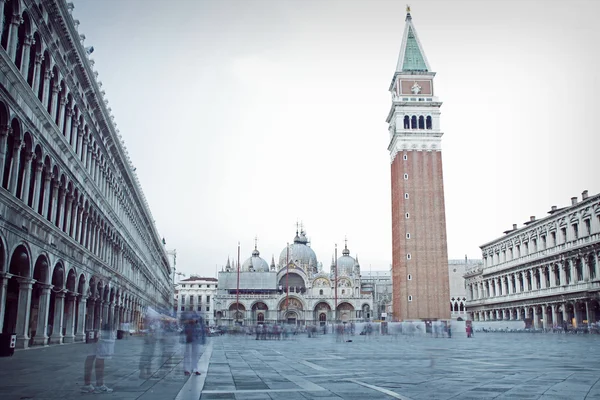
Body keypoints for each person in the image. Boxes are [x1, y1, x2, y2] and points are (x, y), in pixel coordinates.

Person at [82, 322, 116, 393]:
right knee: (100, 357)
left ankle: (87, 384)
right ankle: (99, 385)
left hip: (93, 329)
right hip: (100, 332)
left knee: (90, 356)